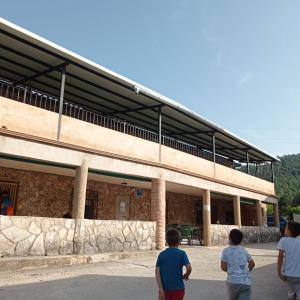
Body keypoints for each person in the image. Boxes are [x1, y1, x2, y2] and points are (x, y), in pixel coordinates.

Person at [155, 228, 192, 300]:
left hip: (165, 289)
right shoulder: (182, 254)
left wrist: (160, 288)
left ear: (166, 241)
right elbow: (189, 268)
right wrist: (186, 275)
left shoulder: (161, 255)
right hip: (179, 289)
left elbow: (157, 272)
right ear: (179, 241)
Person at [221, 229, 255, 300]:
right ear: (241, 240)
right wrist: (246, 271)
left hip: (232, 282)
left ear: (229, 238)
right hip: (245, 282)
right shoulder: (243, 250)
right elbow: (252, 263)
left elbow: (223, 266)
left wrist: (231, 270)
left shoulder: (226, 251)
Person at [277, 221, 300, 300]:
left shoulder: (283, 240)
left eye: (286, 227)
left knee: (291, 293)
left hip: (289, 275)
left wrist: (279, 272)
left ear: (290, 230)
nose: (284, 229)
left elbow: (280, 257)